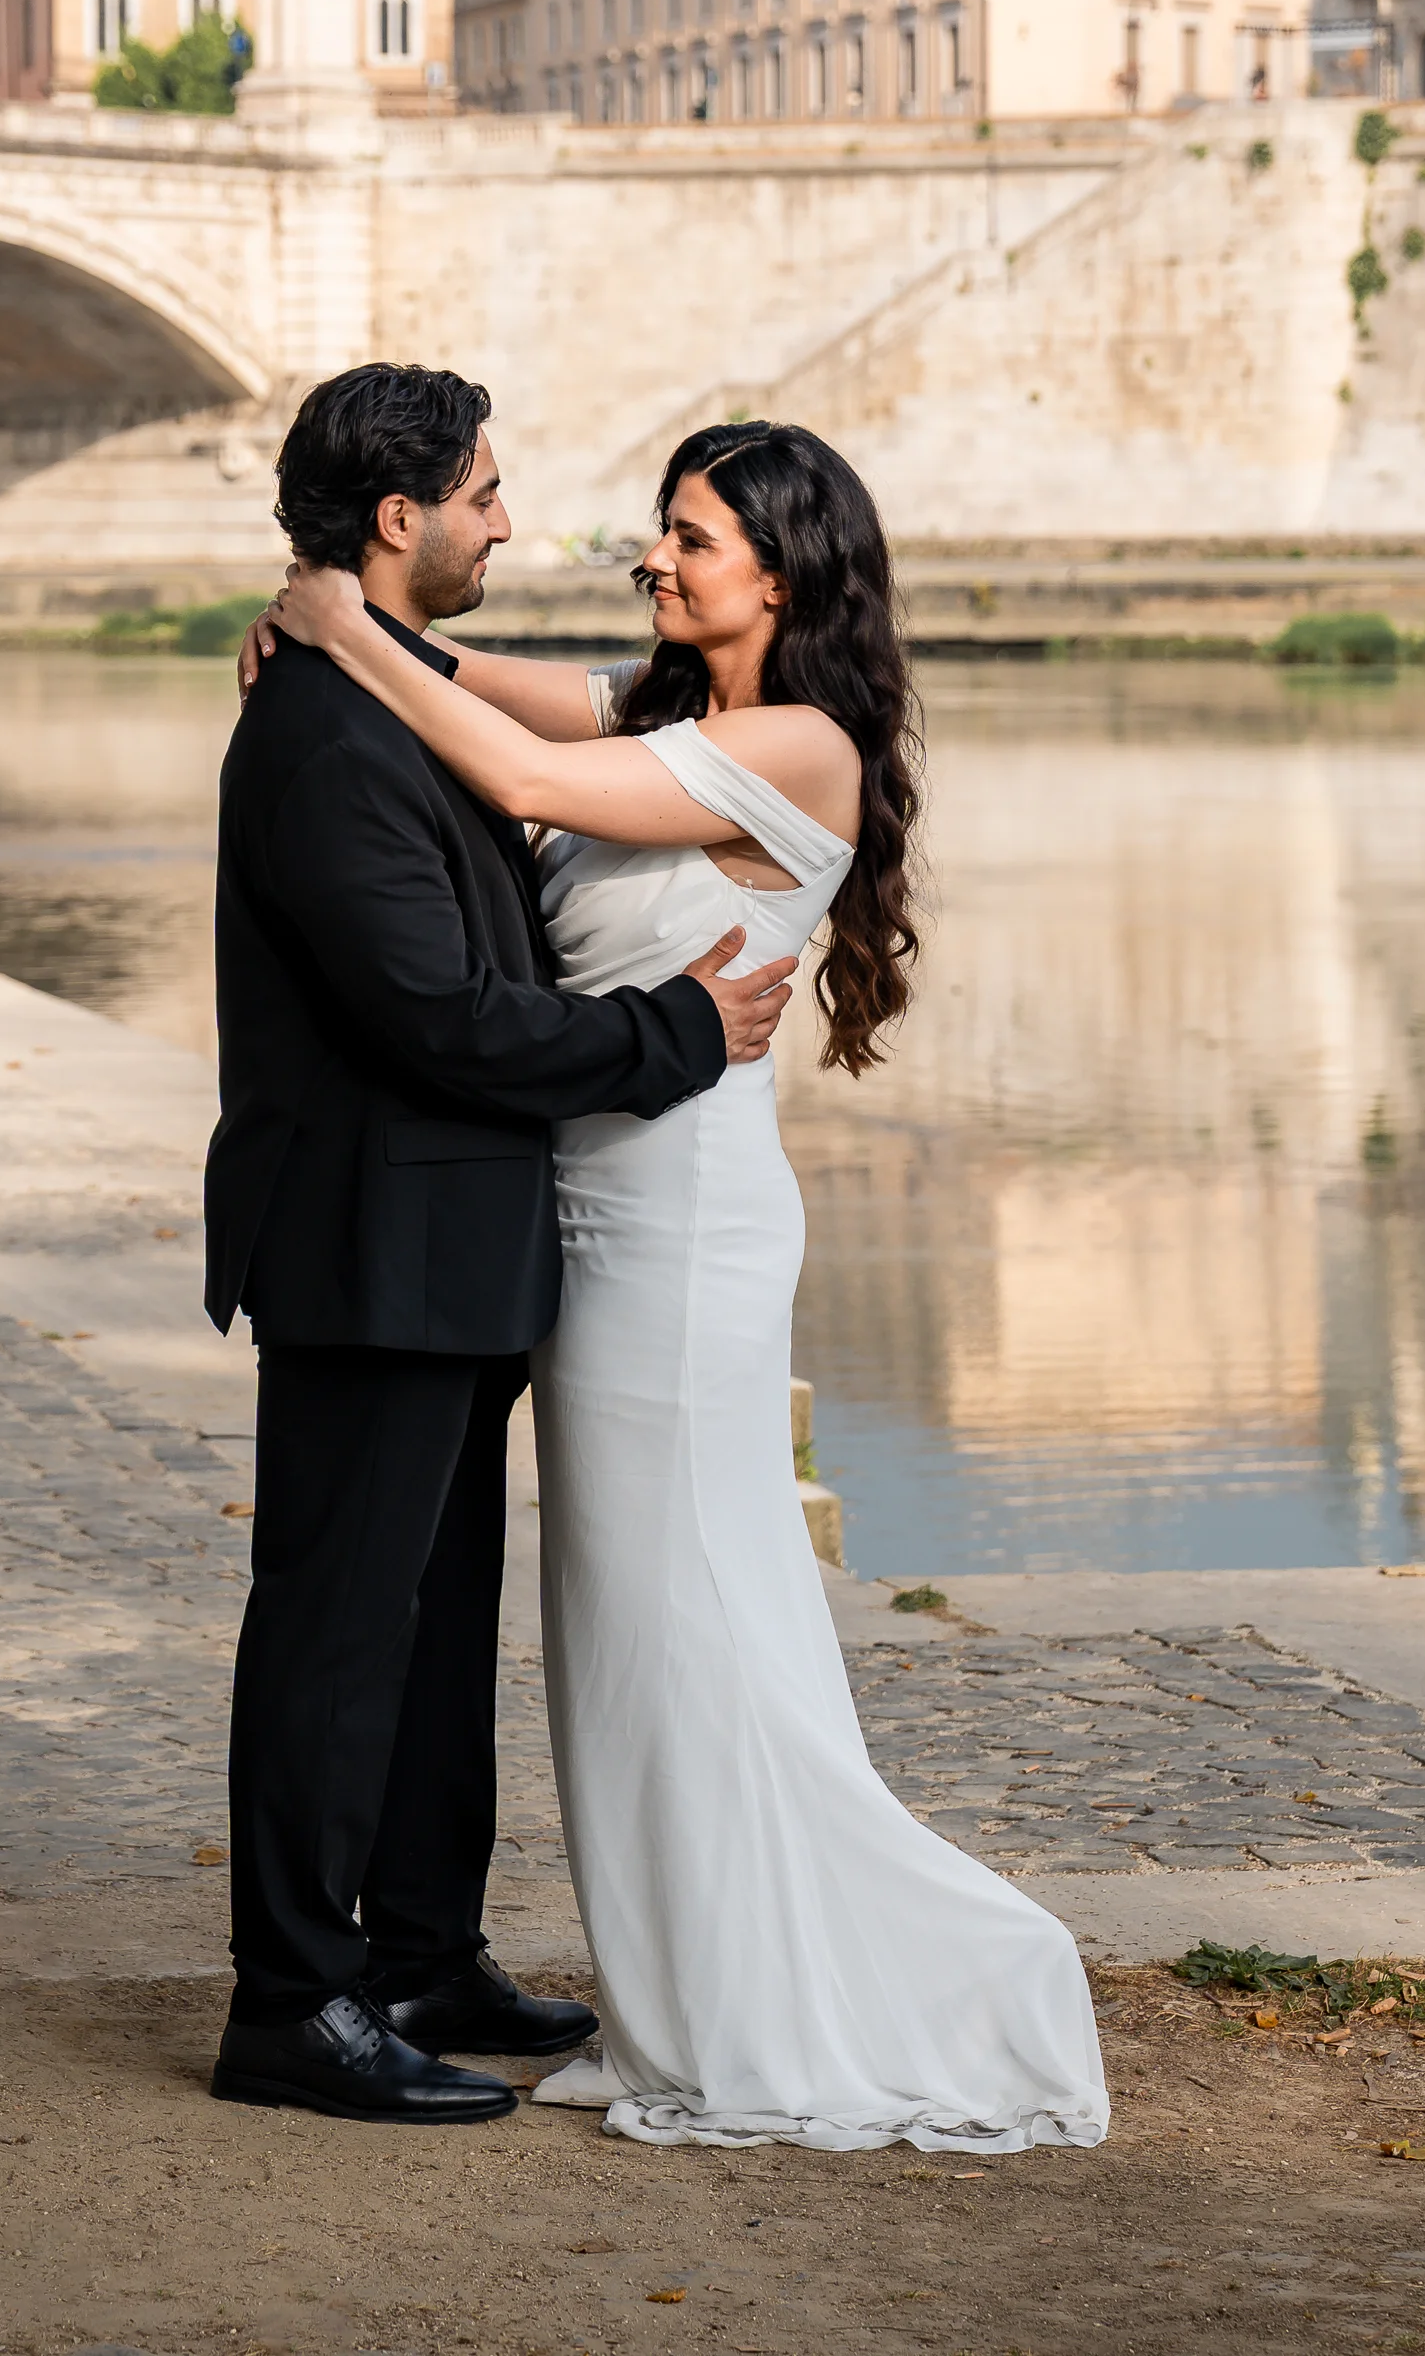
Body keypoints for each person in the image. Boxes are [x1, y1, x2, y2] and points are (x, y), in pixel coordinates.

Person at [260, 416, 1110, 2154]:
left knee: (700, 1601)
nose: (657, 559)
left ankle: (820, 1977)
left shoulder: (798, 743)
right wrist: (336, 619)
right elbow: (478, 680)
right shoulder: (673, 713)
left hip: (685, 1227)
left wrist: (344, 633)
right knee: (621, 1628)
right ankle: (680, 1977)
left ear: (785, 575)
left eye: (694, 540)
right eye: (661, 531)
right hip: (585, 1227)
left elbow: (519, 782)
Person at [206, 363, 799, 2127]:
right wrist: (677, 1036)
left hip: (452, 1247)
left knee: (438, 1621)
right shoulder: (322, 737)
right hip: (372, 1246)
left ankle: (417, 1951)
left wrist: (347, 629)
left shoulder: (385, 702)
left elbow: (556, 751)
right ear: (400, 518)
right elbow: (444, 1021)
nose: (508, 521)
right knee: (336, 1626)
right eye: (482, 494)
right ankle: (292, 2003)